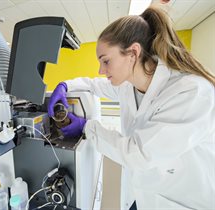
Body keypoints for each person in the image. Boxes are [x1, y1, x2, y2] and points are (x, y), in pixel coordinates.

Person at [48, 5, 215, 210]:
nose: (101, 70)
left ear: (133, 52)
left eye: (106, 61)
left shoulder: (191, 92)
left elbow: (139, 154)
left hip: (182, 202)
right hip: (143, 195)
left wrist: (87, 127)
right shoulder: (130, 87)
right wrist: (65, 86)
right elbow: (94, 84)